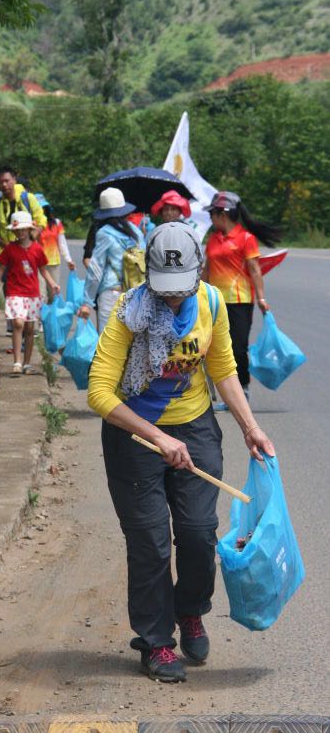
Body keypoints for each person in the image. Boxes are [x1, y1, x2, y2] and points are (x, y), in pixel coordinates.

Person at [88, 222, 275, 683]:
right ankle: (155, 641)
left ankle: (190, 610)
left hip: (194, 427)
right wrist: (157, 437)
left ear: (197, 276)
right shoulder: (128, 312)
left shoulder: (211, 302)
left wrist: (250, 427)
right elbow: (98, 393)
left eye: (181, 290)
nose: (172, 299)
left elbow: (224, 369)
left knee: (198, 533)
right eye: (163, 290)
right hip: (133, 437)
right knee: (150, 543)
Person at [202, 191, 281, 408]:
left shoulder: (246, 239)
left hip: (240, 301)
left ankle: (242, 391)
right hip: (215, 302)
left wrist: (261, 298)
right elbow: (207, 270)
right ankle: (219, 395)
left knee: (237, 348)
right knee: (214, 347)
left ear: (223, 215)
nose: (211, 218)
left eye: (212, 214)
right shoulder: (213, 240)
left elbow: (255, 270)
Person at [0, 211, 59, 376]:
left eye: (23, 229)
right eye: (17, 230)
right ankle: (17, 361)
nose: (20, 233)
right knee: (18, 324)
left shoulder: (37, 249)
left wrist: (52, 283)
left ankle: (27, 364)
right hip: (14, 292)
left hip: (32, 293)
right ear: (13, 232)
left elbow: (43, 270)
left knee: (29, 328)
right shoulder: (9, 249)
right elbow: (0, 269)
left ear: (29, 230)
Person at [78, 187, 145, 333]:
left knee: (108, 346)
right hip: (136, 294)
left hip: (111, 295)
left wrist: (87, 302)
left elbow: (95, 270)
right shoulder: (137, 233)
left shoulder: (104, 233)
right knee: (132, 344)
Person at [0, 166, 47, 250]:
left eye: (7, 181)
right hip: (7, 255)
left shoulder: (29, 198)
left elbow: (41, 220)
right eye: (0, 182)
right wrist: (7, 246)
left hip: (29, 252)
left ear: (14, 180)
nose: (4, 185)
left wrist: (32, 237)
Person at [36, 194, 75, 303]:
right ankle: (41, 319)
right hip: (37, 263)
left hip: (53, 262)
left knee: (53, 293)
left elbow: (62, 243)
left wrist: (68, 260)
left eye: (42, 208)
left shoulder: (56, 223)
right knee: (41, 295)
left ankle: (51, 318)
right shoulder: (32, 225)